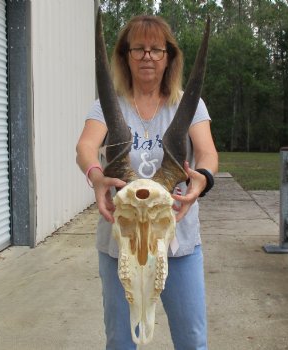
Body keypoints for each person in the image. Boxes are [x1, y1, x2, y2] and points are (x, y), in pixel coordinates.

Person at [76, 14, 218, 350]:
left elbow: (207, 153)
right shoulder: (107, 106)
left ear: (169, 56)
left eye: (156, 49)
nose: (147, 57)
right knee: (121, 340)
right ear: (125, 55)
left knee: (192, 339)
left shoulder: (189, 104)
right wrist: (96, 175)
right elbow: (85, 146)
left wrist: (201, 181)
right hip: (120, 241)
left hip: (178, 241)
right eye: (138, 49)